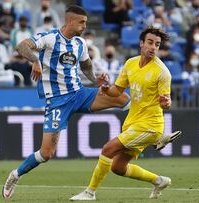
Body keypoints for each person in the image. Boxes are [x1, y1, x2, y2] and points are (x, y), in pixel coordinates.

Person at [1, 5, 131, 199]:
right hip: (57, 102)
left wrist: (96, 79)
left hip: (79, 94)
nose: (85, 26)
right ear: (69, 21)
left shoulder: (80, 43)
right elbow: (21, 46)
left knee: (122, 98)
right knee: (46, 153)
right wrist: (36, 61)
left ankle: (145, 133)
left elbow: (86, 64)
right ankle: (16, 174)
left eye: (86, 22)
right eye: (82, 22)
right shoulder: (50, 38)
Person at [70, 26, 174, 201]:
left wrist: (167, 103)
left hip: (150, 125)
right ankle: (159, 181)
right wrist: (104, 87)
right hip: (133, 122)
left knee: (108, 149)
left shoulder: (163, 72)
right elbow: (116, 92)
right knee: (118, 167)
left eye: (157, 44)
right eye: (150, 42)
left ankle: (90, 192)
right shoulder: (130, 64)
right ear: (141, 43)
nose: (153, 47)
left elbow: (167, 102)